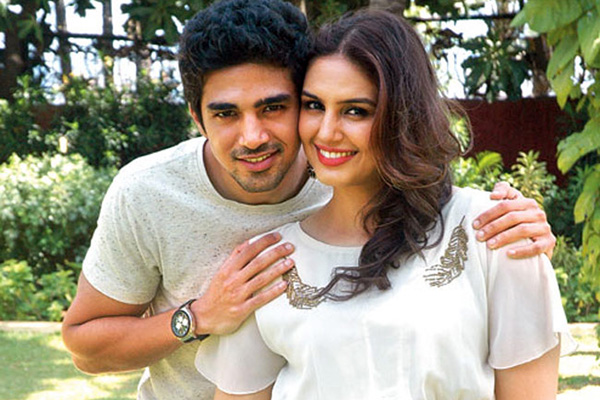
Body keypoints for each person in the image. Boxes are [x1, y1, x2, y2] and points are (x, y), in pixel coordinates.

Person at [61, 1, 558, 399]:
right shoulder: (149, 193)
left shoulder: (349, 168)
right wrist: (201, 316)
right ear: (196, 117)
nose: (253, 137)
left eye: (275, 107)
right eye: (226, 114)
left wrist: (515, 245)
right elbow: (85, 346)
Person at [195, 9, 576, 400]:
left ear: (403, 116)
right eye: (314, 106)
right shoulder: (273, 262)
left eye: (356, 111)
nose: (327, 132)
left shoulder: (494, 230)